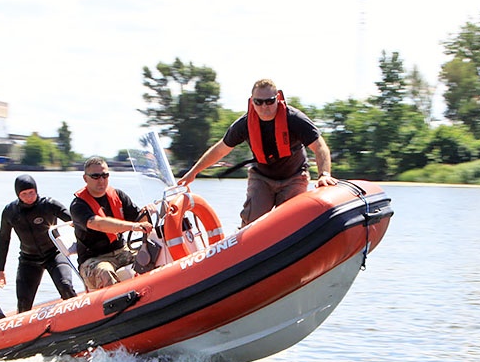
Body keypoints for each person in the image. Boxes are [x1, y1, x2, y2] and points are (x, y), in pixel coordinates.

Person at [178, 78, 337, 226]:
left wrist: (324, 174)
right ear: (252, 102)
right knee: (252, 221)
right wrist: (194, 172)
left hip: (293, 177)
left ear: (278, 98)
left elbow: (320, 147)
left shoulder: (295, 119)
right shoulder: (244, 124)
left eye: (269, 101)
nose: (264, 107)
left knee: (290, 223)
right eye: (259, 102)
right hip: (262, 178)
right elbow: (220, 149)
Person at [0, 174, 77, 313]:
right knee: (23, 303)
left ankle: (80, 319)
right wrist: (1, 270)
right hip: (28, 259)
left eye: (31, 193)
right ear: (18, 194)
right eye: (24, 194)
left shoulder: (48, 204)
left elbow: (74, 222)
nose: (29, 197)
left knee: (65, 287)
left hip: (54, 254)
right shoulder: (10, 212)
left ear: (36, 190)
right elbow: (4, 239)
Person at [70, 157, 153, 290]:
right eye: (96, 176)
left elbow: (141, 220)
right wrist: (132, 226)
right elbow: (98, 224)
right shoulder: (78, 205)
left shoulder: (118, 195)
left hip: (121, 251)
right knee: (105, 272)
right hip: (94, 260)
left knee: (152, 256)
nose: (101, 180)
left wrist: (148, 212)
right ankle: (122, 305)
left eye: (105, 175)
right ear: (86, 179)